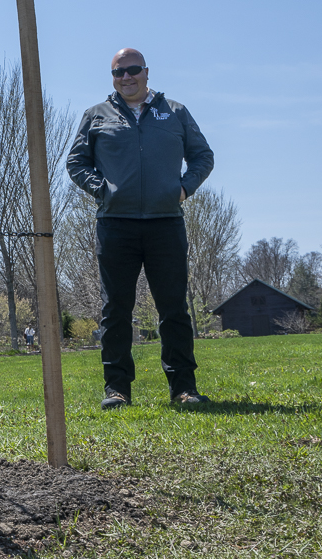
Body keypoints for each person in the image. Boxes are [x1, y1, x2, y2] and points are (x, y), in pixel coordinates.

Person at [66, 48, 214, 410]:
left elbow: (203, 156)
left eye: (133, 70)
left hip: (165, 223)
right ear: (112, 76)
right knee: (115, 310)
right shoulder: (96, 116)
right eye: (118, 72)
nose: (126, 77)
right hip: (115, 225)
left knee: (174, 309)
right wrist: (102, 190)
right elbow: (76, 161)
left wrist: (183, 188)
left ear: (146, 72)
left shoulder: (175, 112)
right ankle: (116, 390)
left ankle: (183, 389)